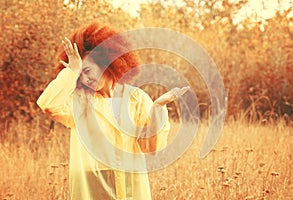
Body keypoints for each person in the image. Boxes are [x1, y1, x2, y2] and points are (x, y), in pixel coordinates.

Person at [37, 22, 188, 200]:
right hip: (91, 185)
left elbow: (151, 147)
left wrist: (157, 109)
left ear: (106, 63)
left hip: (131, 184)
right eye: (80, 75)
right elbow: (48, 104)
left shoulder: (136, 98)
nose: (84, 79)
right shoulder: (80, 100)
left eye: (87, 70)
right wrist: (72, 71)